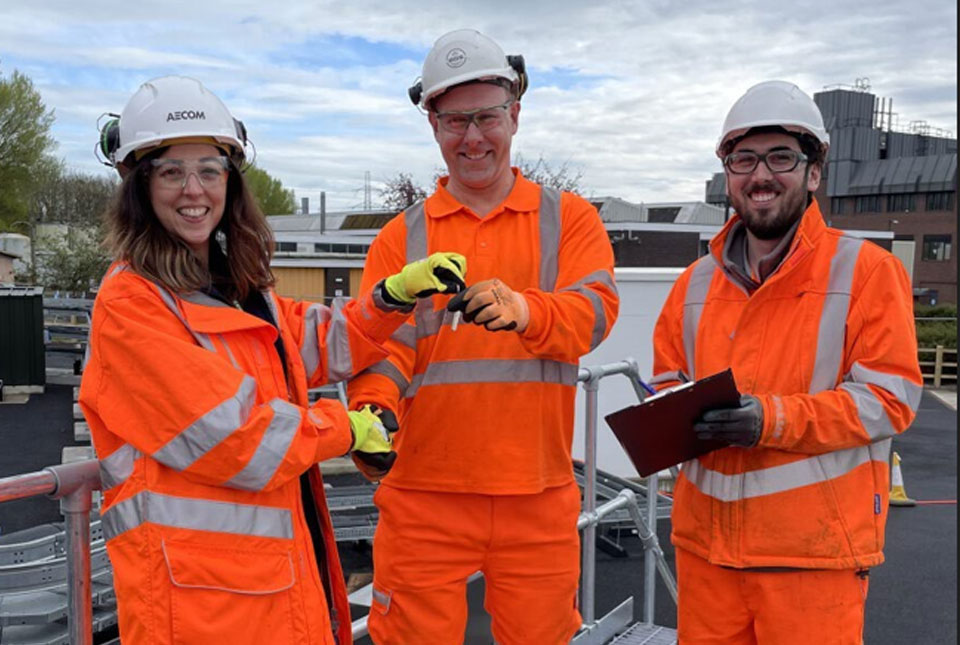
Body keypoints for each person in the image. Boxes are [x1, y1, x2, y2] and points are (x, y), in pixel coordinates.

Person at [78, 75, 466, 645]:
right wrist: (348, 428)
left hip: (268, 587)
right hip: (195, 608)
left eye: (210, 171)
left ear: (231, 183)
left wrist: (393, 297)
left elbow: (311, 344)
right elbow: (235, 439)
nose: (194, 190)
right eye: (170, 172)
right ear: (139, 186)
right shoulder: (132, 306)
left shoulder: (232, 288)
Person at [346, 29, 619, 645]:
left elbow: (595, 314)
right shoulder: (400, 238)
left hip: (537, 492)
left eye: (486, 117)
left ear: (515, 115)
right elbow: (385, 348)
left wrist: (527, 309)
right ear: (434, 127)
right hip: (422, 495)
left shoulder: (569, 220)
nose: (472, 137)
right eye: (453, 121)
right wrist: (371, 412)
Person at [650, 80, 923, 644]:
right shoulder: (693, 284)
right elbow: (666, 382)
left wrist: (770, 420)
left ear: (814, 173)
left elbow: (890, 400)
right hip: (707, 557)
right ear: (728, 174)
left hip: (812, 562)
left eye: (781, 158)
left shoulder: (867, 273)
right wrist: (665, 415)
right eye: (744, 159)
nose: (761, 176)